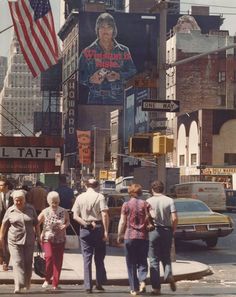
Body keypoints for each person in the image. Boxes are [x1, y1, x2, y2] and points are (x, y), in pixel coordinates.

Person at [79, 12, 137, 105]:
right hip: (95, 98)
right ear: (97, 30)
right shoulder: (88, 51)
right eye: (102, 27)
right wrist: (90, 79)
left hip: (118, 97)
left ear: (113, 30)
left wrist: (119, 76)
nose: (105, 31)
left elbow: (133, 71)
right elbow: (77, 74)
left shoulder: (124, 50)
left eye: (109, 27)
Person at [72, 177, 109, 293]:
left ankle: (88, 285)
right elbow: (104, 215)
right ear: (97, 186)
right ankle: (99, 282)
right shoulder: (100, 197)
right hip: (98, 228)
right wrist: (106, 231)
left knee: (87, 258)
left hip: (85, 230)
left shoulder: (79, 197)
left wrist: (86, 223)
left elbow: (75, 216)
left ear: (86, 185)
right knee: (99, 257)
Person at [0, 189, 40, 293]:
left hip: (29, 240)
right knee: (17, 262)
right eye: (16, 200)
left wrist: (39, 237)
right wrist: (1, 237)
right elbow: (4, 224)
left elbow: (36, 223)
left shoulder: (31, 209)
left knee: (27, 262)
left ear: (24, 200)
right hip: (14, 239)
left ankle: (27, 282)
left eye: (20, 200)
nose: (18, 202)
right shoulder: (10, 210)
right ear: (13, 200)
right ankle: (17, 285)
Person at [117, 184, 150, 296]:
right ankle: (142, 279)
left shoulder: (126, 205)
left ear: (130, 192)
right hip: (143, 236)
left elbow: (122, 221)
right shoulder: (145, 204)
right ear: (140, 192)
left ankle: (134, 289)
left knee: (131, 263)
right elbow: (153, 216)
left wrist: (119, 234)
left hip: (129, 236)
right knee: (142, 260)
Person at [147, 180, 178, 295]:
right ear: (163, 189)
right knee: (166, 256)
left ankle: (156, 288)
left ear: (152, 189)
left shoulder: (148, 201)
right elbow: (174, 218)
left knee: (153, 260)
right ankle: (168, 274)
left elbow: (146, 217)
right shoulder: (169, 200)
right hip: (167, 230)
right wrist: (173, 229)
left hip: (153, 231)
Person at [38, 191, 70, 290]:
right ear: (49, 202)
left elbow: (68, 221)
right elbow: (37, 223)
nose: (55, 204)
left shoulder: (63, 211)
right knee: (49, 256)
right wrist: (39, 234)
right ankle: (47, 278)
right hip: (47, 238)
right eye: (53, 202)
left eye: (56, 202)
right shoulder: (45, 211)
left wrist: (65, 226)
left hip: (60, 238)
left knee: (58, 261)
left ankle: (55, 283)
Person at [0, 178, 14, 271]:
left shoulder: (13, 196)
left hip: (9, 224)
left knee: (7, 243)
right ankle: (1, 258)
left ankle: (6, 262)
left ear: (6, 186)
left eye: (1, 185)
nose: (0, 187)